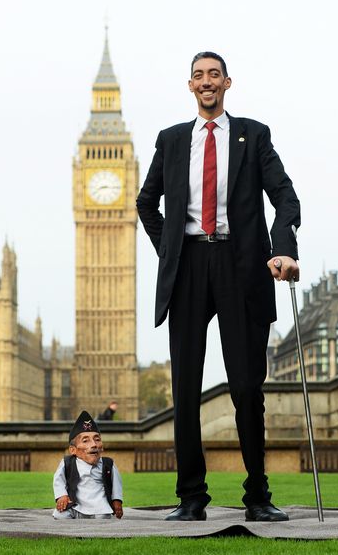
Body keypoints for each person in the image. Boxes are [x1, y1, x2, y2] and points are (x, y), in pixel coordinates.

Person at [136, 51, 300, 522]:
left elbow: (285, 197)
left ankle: (257, 496)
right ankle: (191, 497)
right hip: (188, 264)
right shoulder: (171, 141)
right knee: (185, 388)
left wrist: (283, 247)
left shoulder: (254, 135)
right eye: (198, 76)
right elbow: (147, 202)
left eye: (214, 75)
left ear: (227, 82)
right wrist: (169, 250)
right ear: (190, 87)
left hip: (242, 262)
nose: (206, 82)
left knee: (247, 387)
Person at [52, 410, 123, 519]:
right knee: (60, 515)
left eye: (97, 440)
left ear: (102, 447)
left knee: (104, 518)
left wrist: (117, 500)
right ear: (73, 450)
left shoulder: (108, 464)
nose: (94, 445)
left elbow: (116, 484)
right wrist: (62, 495)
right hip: (75, 505)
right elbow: (58, 480)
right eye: (86, 441)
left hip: (100, 506)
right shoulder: (68, 463)